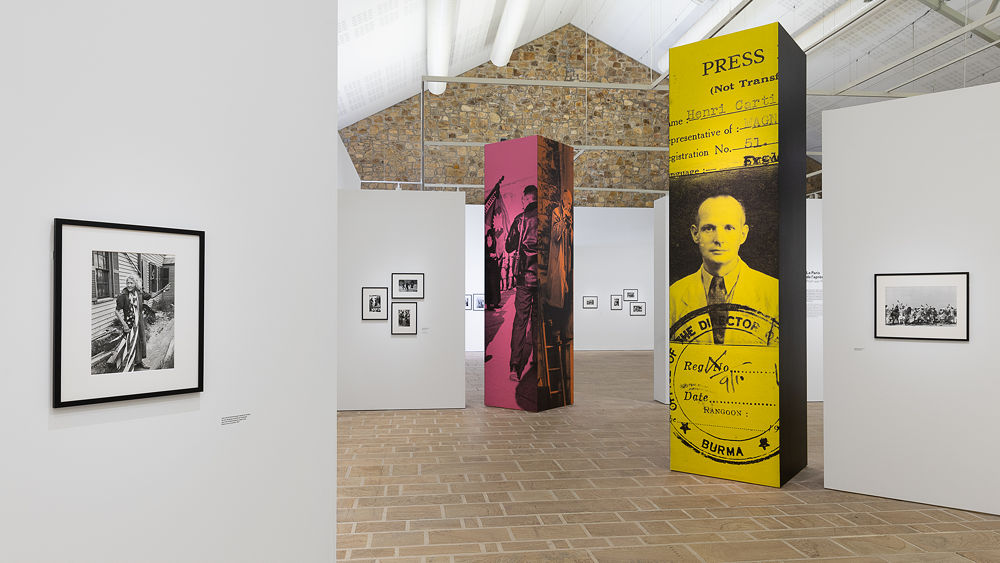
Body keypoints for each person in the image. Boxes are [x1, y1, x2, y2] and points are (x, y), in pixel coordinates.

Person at [669, 195, 778, 345]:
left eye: (729, 228)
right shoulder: (673, 295)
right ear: (695, 234)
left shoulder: (774, 292)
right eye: (709, 228)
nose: (719, 239)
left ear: (743, 234)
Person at [506, 185, 538, 381]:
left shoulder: (520, 219)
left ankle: (515, 366)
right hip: (543, 278)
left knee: (520, 321)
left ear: (527, 198)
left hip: (524, 278)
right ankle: (537, 361)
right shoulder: (547, 219)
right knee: (538, 321)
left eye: (522, 199)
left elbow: (509, 246)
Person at [113, 275, 152, 371]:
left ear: (135, 283)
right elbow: (116, 311)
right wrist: (124, 324)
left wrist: (162, 290)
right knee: (130, 343)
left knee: (141, 340)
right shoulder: (123, 295)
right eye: (128, 283)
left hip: (139, 321)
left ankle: (139, 362)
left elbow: (150, 296)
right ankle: (129, 364)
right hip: (129, 323)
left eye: (131, 283)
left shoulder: (139, 293)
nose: (129, 285)